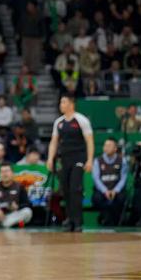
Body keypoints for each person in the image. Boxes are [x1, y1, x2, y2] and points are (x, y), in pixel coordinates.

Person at [47, 94, 94, 232]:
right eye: (60, 102)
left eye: (63, 102)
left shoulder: (81, 120)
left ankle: (78, 221)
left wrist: (90, 159)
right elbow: (54, 142)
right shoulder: (59, 122)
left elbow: (89, 141)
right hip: (64, 159)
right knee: (65, 190)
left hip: (79, 158)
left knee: (75, 189)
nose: (61, 105)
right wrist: (50, 158)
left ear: (71, 104)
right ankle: (69, 219)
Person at [0, 162, 33, 228]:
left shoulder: (20, 187)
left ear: (12, 173)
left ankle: (2, 223)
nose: (4, 174)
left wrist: (17, 207)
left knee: (27, 212)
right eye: (2, 172)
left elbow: (27, 203)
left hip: (14, 214)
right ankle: (9, 223)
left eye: (7, 171)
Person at [91, 138, 128, 226]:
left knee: (121, 198)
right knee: (97, 198)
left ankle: (113, 219)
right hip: (102, 191)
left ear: (115, 148)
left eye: (109, 146)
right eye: (105, 145)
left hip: (117, 191)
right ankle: (105, 217)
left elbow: (123, 178)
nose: (106, 148)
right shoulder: (98, 161)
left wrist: (115, 190)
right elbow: (96, 179)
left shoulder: (122, 160)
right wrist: (105, 191)